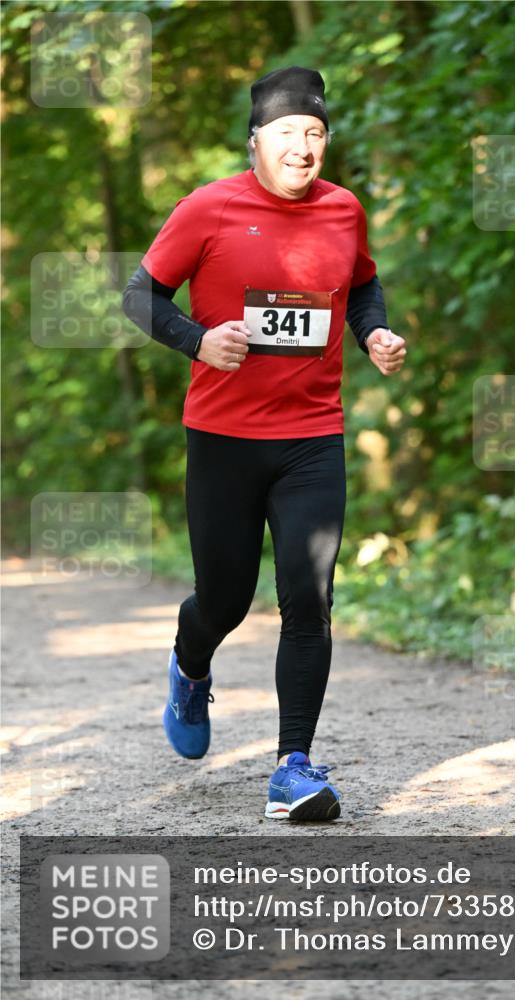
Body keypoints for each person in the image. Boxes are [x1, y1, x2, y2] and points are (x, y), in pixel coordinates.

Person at [123, 66, 406, 822]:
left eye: (315, 134)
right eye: (289, 133)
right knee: (225, 598)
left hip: (312, 438)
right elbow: (138, 294)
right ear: (257, 142)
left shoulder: (344, 210)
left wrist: (371, 329)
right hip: (223, 438)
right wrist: (196, 340)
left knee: (308, 600)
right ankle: (190, 663)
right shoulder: (208, 208)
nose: (304, 147)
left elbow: (364, 284)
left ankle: (293, 767)